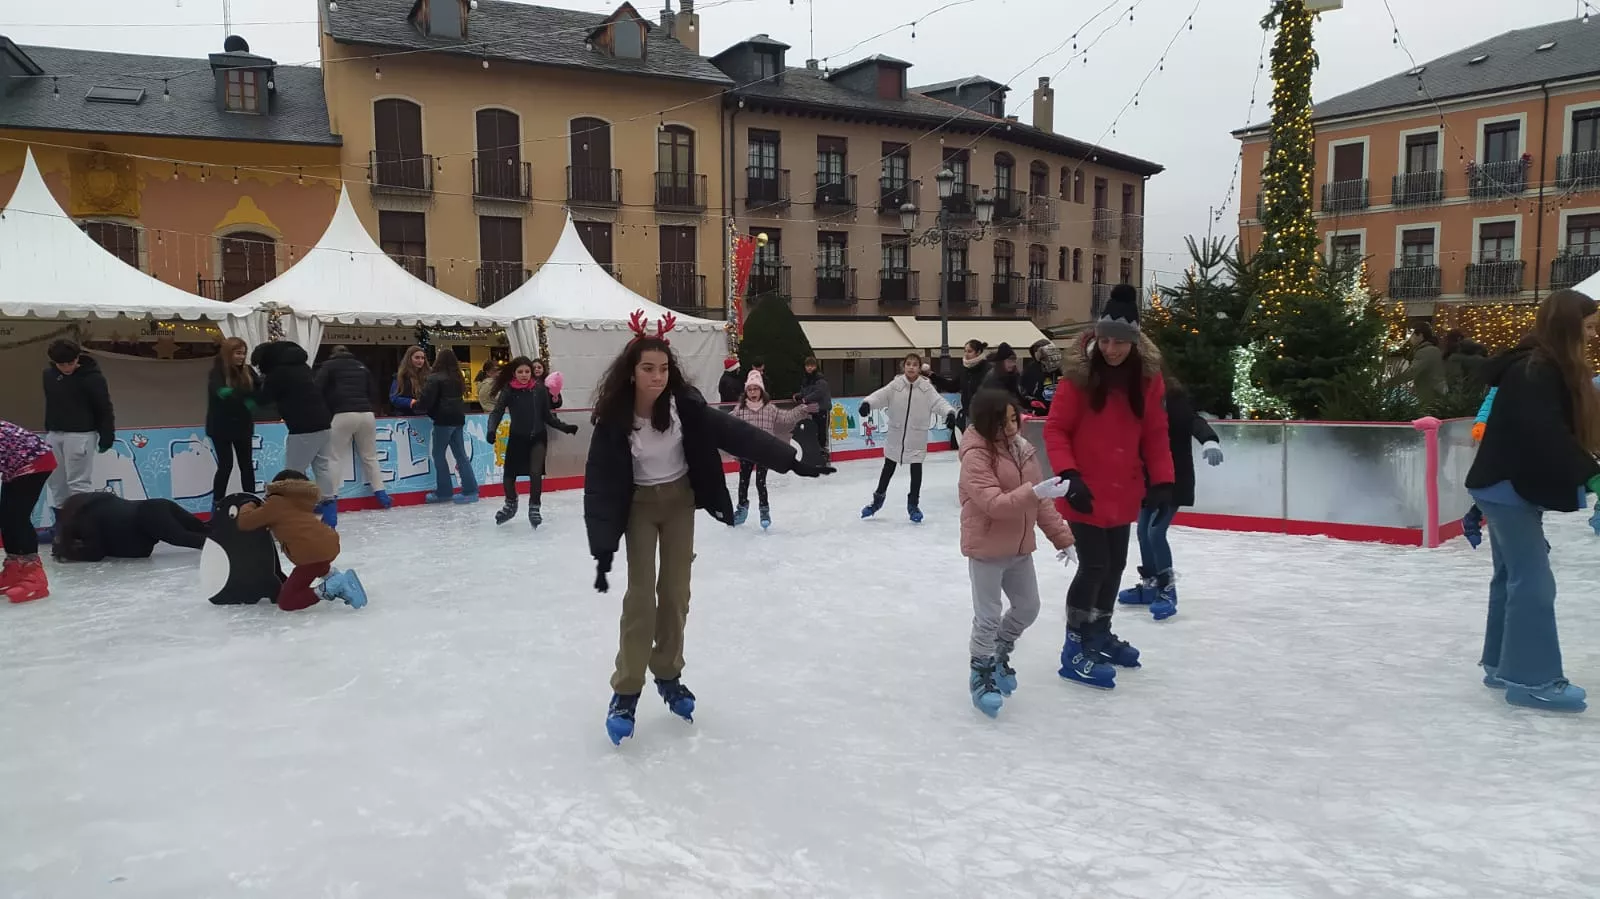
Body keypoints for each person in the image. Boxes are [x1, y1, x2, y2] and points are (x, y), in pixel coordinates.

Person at [584, 319, 832, 745]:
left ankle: (667, 671)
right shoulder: (614, 419)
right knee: (641, 596)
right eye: (648, 369)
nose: (657, 376)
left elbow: (737, 434)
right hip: (639, 507)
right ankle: (626, 690)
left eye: (663, 368)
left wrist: (791, 461)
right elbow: (600, 482)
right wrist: (604, 547)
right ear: (632, 371)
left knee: (676, 591)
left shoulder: (684, 406)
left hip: (679, 502)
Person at [1465, 288, 1600, 713]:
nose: (1593, 335)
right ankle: (1532, 680)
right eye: (1590, 326)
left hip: (1500, 485)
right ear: (1568, 326)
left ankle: (1501, 663)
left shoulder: (1538, 366)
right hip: (1508, 488)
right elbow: (1545, 434)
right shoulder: (1536, 370)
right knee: (1534, 582)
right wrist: (1592, 474)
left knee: (1512, 577)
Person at [1043, 284, 1175, 690]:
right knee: (1094, 565)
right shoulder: (1079, 378)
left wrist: (1164, 479)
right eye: (1104, 340)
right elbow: (1056, 429)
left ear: (1134, 343)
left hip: (1122, 492)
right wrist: (1070, 474)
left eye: (1120, 342)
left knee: (1116, 565)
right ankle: (1075, 646)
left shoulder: (1147, 382)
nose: (1111, 349)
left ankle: (1098, 635)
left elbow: (1154, 433)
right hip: (1085, 490)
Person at [958, 389, 1074, 718]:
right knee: (988, 616)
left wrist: (1062, 537)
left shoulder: (1023, 449)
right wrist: (1034, 492)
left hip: (1020, 548)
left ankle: (1000, 650)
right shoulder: (975, 455)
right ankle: (980, 673)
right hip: (986, 547)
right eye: (1004, 420)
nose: (1012, 426)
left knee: (1028, 607)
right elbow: (994, 505)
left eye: (1014, 418)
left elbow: (1041, 500)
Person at [1117, 372, 1222, 621]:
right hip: (1147, 480)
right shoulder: (1135, 401)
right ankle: (1151, 583)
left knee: (1155, 531)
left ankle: (1167, 589)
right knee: (1143, 531)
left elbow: (1195, 421)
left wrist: (1209, 441)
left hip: (1175, 480)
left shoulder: (1172, 400)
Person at [235, 469, 368, 611]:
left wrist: (248, 503)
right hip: (326, 544)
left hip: (311, 554)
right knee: (318, 563)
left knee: (287, 602)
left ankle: (329, 587)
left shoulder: (276, 503)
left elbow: (246, 521)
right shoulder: (300, 501)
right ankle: (337, 578)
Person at [859, 352, 956, 523]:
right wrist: (868, 403)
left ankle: (913, 505)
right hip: (896, 436)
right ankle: (877, 501)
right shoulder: (895, 386)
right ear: (903, 366)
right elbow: (879, 395)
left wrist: (949, 413)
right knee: (887, 469)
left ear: (919, 368)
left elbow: (939, 403)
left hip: (916, 437)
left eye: (915, 364)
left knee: (916, 472)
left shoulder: (926, 389)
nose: (911, 367)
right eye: (908, 364)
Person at [486, 356, 579, 527]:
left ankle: (534, 506)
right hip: (517, 438)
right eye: (520, 372)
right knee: (509, 476)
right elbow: (497, 411)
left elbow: (547, 416)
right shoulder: (509, 390)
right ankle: (511, 503)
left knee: (535, 473)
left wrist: (564, 427)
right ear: (514, 373)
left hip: (537, 437)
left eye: (527, 371)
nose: (524, 375)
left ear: (531, 373)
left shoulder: (539, 389)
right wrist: (491, 429)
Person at [253, 341, 338, 528]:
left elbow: (262, 399)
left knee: (292, 473)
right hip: (324, 423)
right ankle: (330, 509)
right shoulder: (303, 367)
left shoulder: (278, 374)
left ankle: (289, 513)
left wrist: (251, 388)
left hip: (303, 427)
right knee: (322, 467)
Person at [731, 369, 815, 528]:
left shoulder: (769, 408)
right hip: (746, 451)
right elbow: (728, 425)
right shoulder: (740, 409)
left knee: (760, 482)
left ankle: (764, 510)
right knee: (743, 481)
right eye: (750, 389)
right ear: (746, 391)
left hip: (764, 451)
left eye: (755, 389)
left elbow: (786, 417)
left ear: (761, 390)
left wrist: (801, 410)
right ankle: (741, 509)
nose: (753, 392)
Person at [42, 339, 114, 521]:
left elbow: (103, 407)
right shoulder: (49, 375)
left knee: (78, 482)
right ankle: (61, 525)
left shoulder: (92, 377)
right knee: (56, 481)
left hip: (81, 433)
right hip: (55, 432)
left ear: (77, 358)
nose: (66, 368)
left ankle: (82, 524)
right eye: (61, 364)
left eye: (70, 363)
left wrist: (107, 435)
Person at [316, 346, 391, 510]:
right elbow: (373, 391)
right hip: (366, 414)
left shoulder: (329, 366)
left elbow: (317, 389)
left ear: (333, 354)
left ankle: (329, 499)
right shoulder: (361, 366)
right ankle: (382, 495)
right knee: (370, 456)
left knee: (334, 457)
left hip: (343, 414)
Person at [51, 492, 209, 561]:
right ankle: (226, 538)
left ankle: (222, 546)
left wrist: (70, 552)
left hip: (146, 515)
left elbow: (95, 553)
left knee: (183, 538)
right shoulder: (95, 504)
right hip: (157, 504)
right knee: (199, 528)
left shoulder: (85, 518)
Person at [0, 420, 57, 603]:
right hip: (15, 465)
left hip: (34, 461)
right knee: (7, 518)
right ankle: (15, 569)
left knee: (17, 517)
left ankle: (35, 578)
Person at [416, 348, 479, 504]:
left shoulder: (434, 378)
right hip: (457, 418)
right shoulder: (457, 378)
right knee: (461, 455)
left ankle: (444, 491)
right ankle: (471, 490)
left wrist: (415, 405)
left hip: (443, 420)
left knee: (438, 454)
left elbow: (426, 400)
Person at [206, 337, 259, 506]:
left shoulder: (248, 372)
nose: (241, 357)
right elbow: (221, 393)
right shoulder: (217, 372)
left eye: (243, 353)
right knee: (226, 465)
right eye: (237, 353)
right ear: (228, 353)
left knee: (246, 465)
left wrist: (254, 401)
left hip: (242, 425)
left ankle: (251, 500)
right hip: (221, 426)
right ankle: (217, 503)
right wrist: (242, 398)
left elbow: (259, 391)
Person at [1387, 322, 1447, 405]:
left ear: (1420, 335)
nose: (1409, 339)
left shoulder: (1425, 352)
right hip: (1436, 392)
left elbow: (1412, 372)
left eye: (1411, 335)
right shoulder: (1433, 349)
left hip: (1429, 395)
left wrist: (1390, 382)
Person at [795, 356, 833, 463]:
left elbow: (819, 393)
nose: (810, 368)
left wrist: (805, 399)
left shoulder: (820, 379)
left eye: (812, 366)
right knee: (814, 433)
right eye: (808, 366)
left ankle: (824, 455)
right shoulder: (806, 380)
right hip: (813, 410)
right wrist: (799, 395)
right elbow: (805, 392)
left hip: (822, 409)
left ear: (816, 367)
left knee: (822, 433)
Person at [1020, 339, 1065, 413]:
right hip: (1039, 412)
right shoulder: (1031, 370)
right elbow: (1022, 391)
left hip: (1060, 411)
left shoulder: (1063, 369)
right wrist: (1031, 401)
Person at [981, 343, 1029, 408]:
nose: (1012, 364)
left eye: (1013, 361)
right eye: (1009, 361)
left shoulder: (1014, 375)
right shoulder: (992, 377)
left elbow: (1019, 395)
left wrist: (1030, 401)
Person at [390, 345, 430, 415]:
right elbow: (394, 398)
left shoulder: (428, 377)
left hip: (425, 416)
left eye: (422, 358)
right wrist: (411, 402)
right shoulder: (400, 377)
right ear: (409, 359)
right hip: (405, 416)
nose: (420, 361)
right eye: (417, 358)